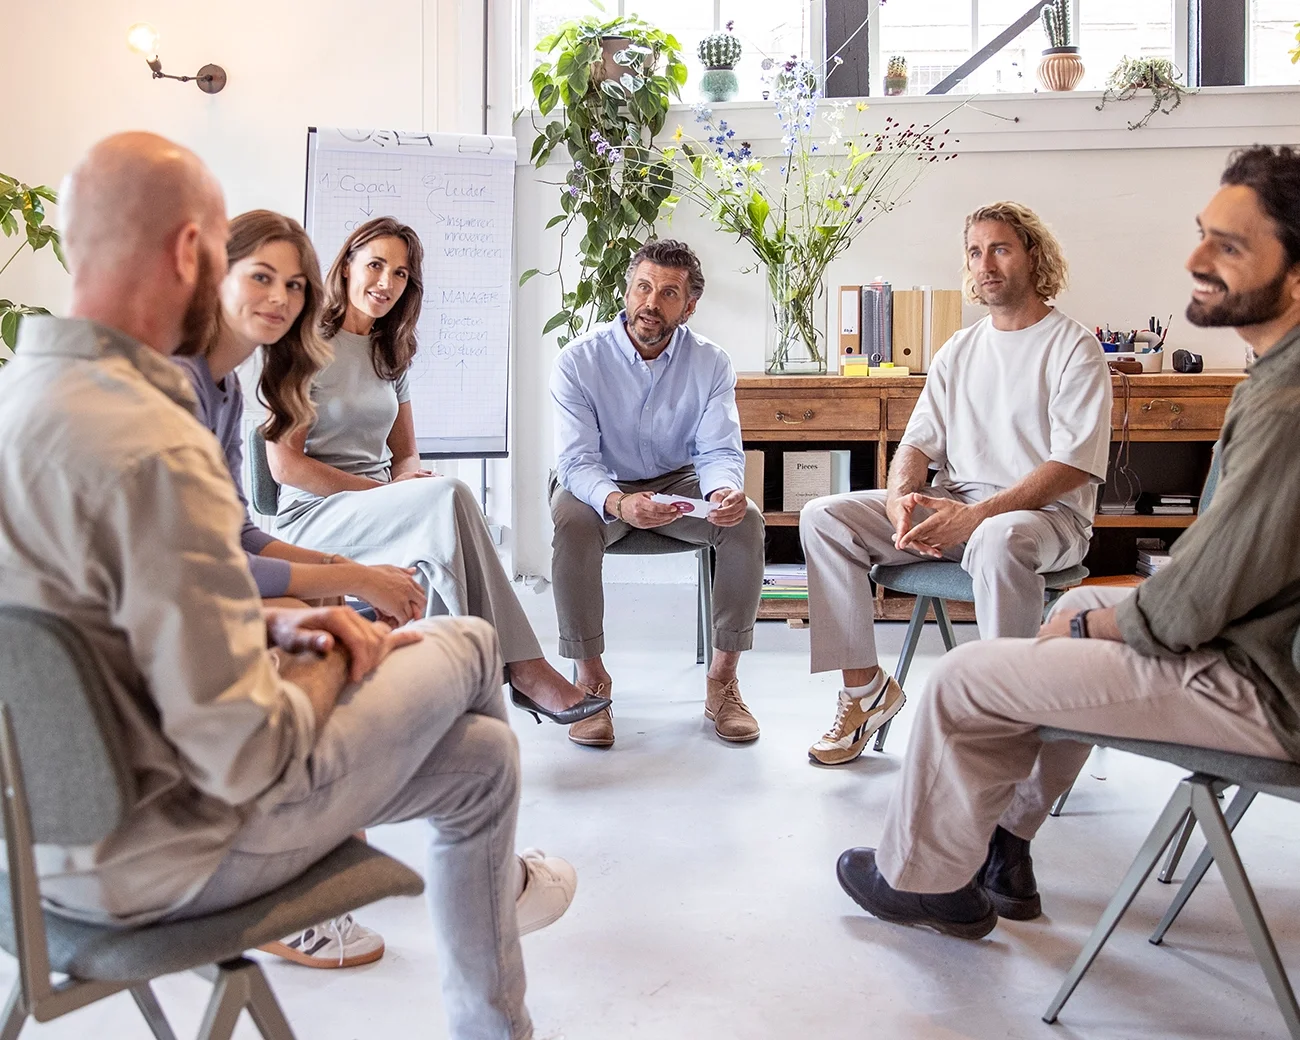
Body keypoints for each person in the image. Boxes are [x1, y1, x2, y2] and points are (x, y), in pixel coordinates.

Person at [0, 131, 565, 1039]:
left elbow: (102, 623)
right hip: (167, 860)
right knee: (466, 642)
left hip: (26, 862)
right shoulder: (154, 440)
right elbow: (247, 755)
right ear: (193, 252)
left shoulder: (21, 402)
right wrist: (338, 656)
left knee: (484, 762)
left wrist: (270, 625)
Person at [837, 145, 1300, 940]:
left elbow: (1195, 599)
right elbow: (1229, 563)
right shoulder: (1273, 380)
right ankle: (1006, 846)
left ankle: (926, 878)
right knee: (1060, 617)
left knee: (972, 674)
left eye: (1229, 245)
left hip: (1260, 683)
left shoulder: (1282, 402)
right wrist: (908, 493)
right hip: (1253, 650)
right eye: (1202, 235)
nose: (1195, 260)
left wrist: (1100, 621)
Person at [800, 202, 1113, 767]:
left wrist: (974, 517)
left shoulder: (1074, 348)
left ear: (1032, 255)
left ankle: (1004, 721)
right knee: (824, 516)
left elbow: (1071, 466)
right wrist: (899, 501)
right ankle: (865, 692)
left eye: (1000, 249)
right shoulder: (960, 348)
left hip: (1047, 519)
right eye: (975, 251)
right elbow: (916, 445)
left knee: (997, 536)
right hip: (957, 507)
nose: (985, 264)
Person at [266, 217, 607, 728]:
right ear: (347, 265)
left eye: (400, 274)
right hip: (316, 515)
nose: (386, 282)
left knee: (442, 525)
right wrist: (383, 492)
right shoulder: (304, 345)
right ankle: (523, 671)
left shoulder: (389, 352)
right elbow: (285, 465)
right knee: (449, 498)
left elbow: (405, 454)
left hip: (383, 508)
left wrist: (407, 483)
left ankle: (445, 700)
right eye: (376, 265)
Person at [549, 239, 765, 748]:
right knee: (572, 523)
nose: (651, 302)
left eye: (668, 293)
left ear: (689, 307)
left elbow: (717, 450)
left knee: (746, 521)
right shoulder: (578, 361)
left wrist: (724, 491)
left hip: (677, 482)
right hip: (599, 484)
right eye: (643, 287)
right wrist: (618, 502)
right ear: (627, 292)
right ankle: (590, 682)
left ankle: (722, 682)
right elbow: (576, 461)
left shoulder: (711, 363)